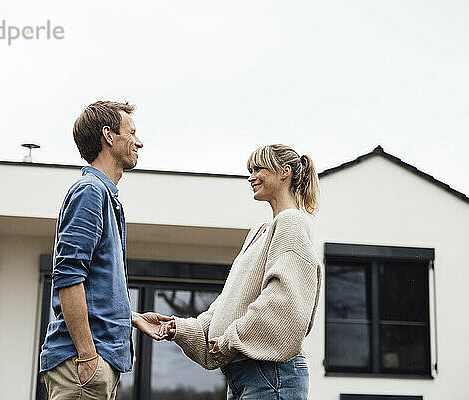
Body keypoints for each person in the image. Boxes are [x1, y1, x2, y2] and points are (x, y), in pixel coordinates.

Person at [160, 144, 321, 400]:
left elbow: (282, 304)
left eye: (259, 169)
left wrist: (229, 342)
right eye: (250, 170)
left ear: (285, 172)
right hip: (247, 375)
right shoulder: (259, 233)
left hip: (271, 375)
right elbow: (226, 306)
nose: (251, 177)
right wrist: (176, 328)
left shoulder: (292, 222)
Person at [40, 101, 171, 400]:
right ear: (109, 136)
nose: (139, 142)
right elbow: (68, 277)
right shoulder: (90, 192)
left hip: (94, 363)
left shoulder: (105, 197)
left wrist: (130, 317)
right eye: (132, 133)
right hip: (82, 364)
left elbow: (94, 285)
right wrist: (87, 355)